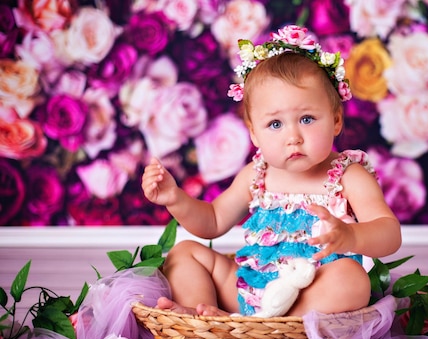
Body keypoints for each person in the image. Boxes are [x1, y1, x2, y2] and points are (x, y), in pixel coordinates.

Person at [141, 25, 401, 318]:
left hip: (311, 295)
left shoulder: (348, 176)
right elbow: (212, 221)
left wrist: (351, 236)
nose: (293, 136)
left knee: (352, 280)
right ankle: (206, 314)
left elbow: (389, 234)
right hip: (249, 291)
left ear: (336, 120)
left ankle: (275, 323)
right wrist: (175, 198)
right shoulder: (257, 174)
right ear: (254, 134)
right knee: (184, 252)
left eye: (307, 118)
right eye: (275, 124)